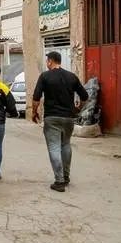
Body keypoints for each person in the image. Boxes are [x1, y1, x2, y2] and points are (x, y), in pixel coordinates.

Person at [31, 51, 89, 193]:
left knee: (54, 148)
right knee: (66, 145)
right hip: (68, 118)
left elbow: (36, 97)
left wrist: (34, 112)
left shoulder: (45, 76)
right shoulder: (71, 76)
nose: (47, 63)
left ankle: (59, 181)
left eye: (47, 61)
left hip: (52, 118)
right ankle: (66, 177)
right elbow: (85, 95)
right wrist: (78, 108)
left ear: (50, 61)